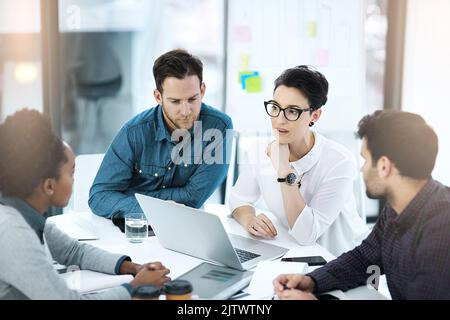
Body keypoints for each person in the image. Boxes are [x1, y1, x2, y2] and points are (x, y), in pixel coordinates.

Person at [273, 110, 450, 300]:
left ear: (384, 166)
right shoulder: (397, 206)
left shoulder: (441, 227)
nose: (362, 169)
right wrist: (312, 281)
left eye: (365, 159)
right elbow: (364, 258)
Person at [0, 109, 170, 299]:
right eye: (71, 173)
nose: (74, 180)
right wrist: (135, 288)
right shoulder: (13, 234)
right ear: (49, 185)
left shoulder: (25, 216)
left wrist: (134, 268)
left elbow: (74, 251)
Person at [229, 66, 369, 256]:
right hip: (294, 253)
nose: (279, 120)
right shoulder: (258, 150)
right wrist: (249, 219)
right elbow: (238, 198)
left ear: (315, 115)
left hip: (342, 258)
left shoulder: (340, 161)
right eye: (275, 108)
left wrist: (284, 171)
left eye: (293, 111)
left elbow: (306, 234)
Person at [89, 49, 233, 218]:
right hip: (135, 227)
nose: (186, 111)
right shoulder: (134, 132)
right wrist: (154, 207)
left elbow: (194, 198)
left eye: (193, 99)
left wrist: (134, 198)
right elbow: (99, 196)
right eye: (175, 101)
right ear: (158, 96)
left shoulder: (219, 127)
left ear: (202, 90)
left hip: (185, 224)